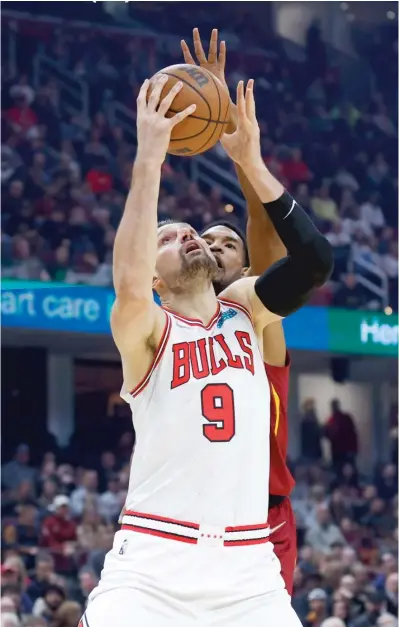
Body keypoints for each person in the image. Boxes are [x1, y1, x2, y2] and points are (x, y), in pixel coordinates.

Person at [84, 66, 332, 625]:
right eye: (167, 238)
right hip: (152, 564)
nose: (188, 235)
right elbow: (126, 280)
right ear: (153, 275)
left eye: (190, 231)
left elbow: (315, 263)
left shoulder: (246, 308)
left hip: (248, 568)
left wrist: (252, 163)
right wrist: (150, 156)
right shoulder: (146, 330)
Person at [183, 28, 297, 595]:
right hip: (190, 516)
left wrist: (233, 138)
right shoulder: (172, 320)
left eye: (227, 242)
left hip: (261, 513)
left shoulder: (255, 316)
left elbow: (266, 236)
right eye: (206, 239)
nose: (214, 244)